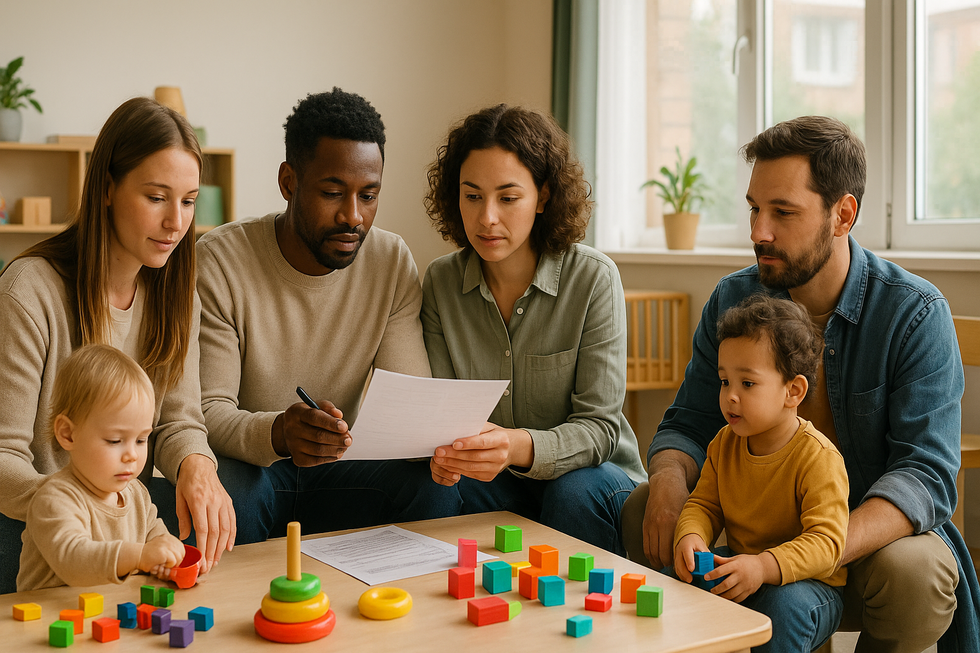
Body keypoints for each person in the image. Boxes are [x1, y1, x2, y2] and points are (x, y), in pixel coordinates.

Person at [622, 116, 979, 651]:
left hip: (863, 548)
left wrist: (806, 552)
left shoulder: (914, 313)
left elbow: (924, 475)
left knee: (915, 572)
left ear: (843, 214)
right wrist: (671, 486)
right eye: (753, 209)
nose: (758, 231)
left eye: (783, 212)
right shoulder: (732, 300)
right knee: (643, 504)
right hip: (747, 538)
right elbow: (689, 424)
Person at [196, 88, 462, 543]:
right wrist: (279, 432)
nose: (353, 216)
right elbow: (207, 410)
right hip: (258, 470)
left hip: (349, 469)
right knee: (230, 488)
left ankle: (415, 610)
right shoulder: (221, 260)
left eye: (369, 194)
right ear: (289, 182)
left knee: (431, 488)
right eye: (333, 192)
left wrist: (434, 445)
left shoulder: (391, 259)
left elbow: (407, 403)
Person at [0, 97, 235, 594]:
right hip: (30, 521)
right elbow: (3, 455)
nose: (176, 221)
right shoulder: (28, 292)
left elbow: (179, 419)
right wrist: (77, 507)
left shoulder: (175, 295)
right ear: (107, 189)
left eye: (189, 201)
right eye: (156, 197)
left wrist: (197, 466)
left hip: (120, 517)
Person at [421, 104, 646, 555]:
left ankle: (585, 620)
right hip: (496, 483)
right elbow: (444, 414)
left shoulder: (593, 278)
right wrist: (449, 454)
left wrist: (513, 446)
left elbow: (599, 430)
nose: (487, 218)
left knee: (572, 493)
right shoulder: (440, 282)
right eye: (472, 196)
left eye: (508, 198)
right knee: (426, 489)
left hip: (594, 479)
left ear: (542, 197)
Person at [673, 294, 848, 652]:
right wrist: (689, 536)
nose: (730, 397)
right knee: (668, 588)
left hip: (810, 586)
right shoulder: (724, 443)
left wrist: (765, 566)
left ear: (793, 391)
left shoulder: (817, 457)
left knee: (782, 609)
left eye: (747, 384)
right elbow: (704, 504)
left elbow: (827, 544)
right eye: (725, 382)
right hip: (742, 567)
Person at [18, 345, 186, 591]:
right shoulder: (53, 500)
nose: (131, 455)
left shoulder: (137, 494)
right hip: (49, 622)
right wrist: (140, 556)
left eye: (141, 440)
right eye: (115, 441)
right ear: (68, 434)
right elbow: (74, 560)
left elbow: (156, 536)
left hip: (109, 618)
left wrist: (170, 555)